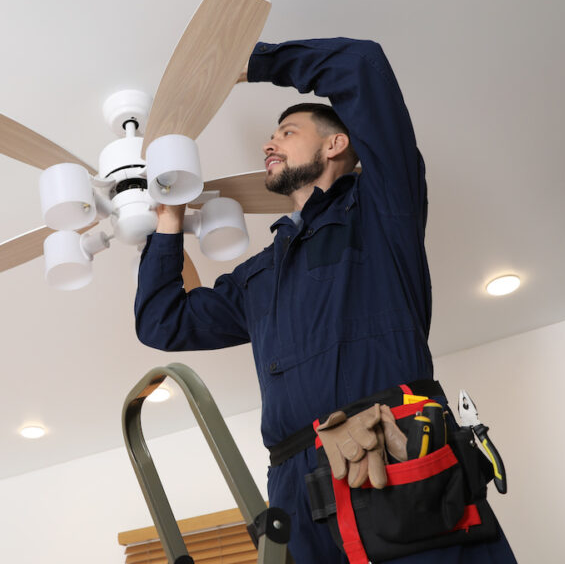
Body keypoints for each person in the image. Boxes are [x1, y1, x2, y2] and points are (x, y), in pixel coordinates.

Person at [134, 38, 517, 563]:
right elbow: (164, 321)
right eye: (271, 136)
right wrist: (168, 217)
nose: (269, 144)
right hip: (296, 489)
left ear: (336, 144)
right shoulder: (259, 275)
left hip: (391, 454)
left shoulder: (381, 213)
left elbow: (361, 65)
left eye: (287, 132)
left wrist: (243, 61)